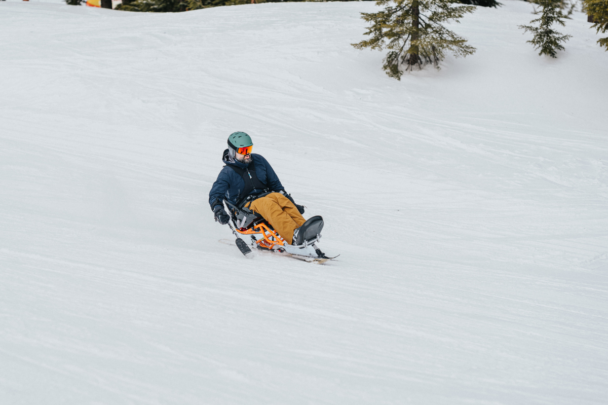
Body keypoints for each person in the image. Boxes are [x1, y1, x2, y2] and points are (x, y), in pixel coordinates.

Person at [209, 132, 318, 246]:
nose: (247, 154)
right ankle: (293, 236)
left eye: (249, 149)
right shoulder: (227, 172)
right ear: (233, 152)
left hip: (266, 199)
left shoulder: (259, 160)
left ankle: (304, 231)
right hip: (244, 212)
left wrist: (292, 204)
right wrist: (219, 211)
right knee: (267, 203)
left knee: (280, 197)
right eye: (243, 151)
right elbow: (215, 195)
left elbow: (276, 185)